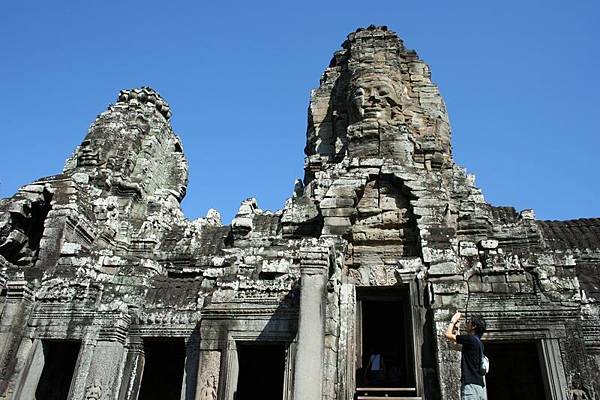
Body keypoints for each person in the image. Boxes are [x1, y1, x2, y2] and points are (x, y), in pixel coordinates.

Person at [445, 311, 488, 400]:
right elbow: (456, 347)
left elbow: (447, 335)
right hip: (480, 386)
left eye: (468, 322)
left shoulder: (470, 339)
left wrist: (453, 320)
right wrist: (457, 329)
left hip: (470, 385)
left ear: (474, 326)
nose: (466, 324)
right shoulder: (479, 343)